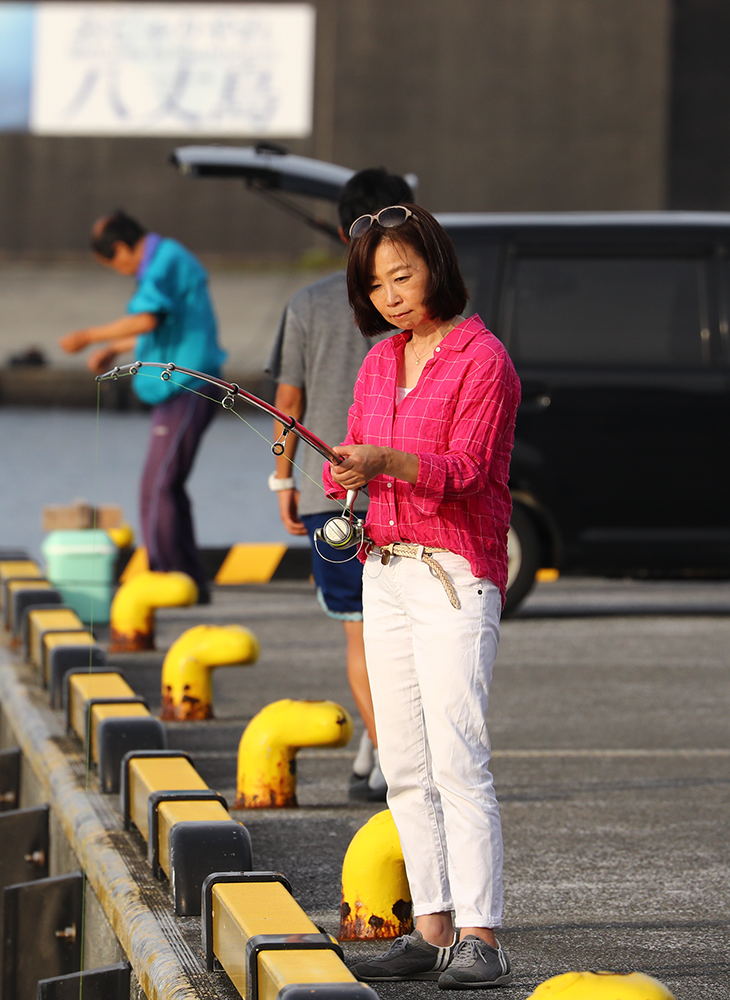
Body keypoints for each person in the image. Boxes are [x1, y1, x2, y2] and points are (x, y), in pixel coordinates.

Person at [323, 204, 520, 989]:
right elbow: (359, 453)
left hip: (454, 574)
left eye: (402, 275)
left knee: (458, 754)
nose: (391, 296)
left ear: (436, 263)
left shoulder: (484, 359)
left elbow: (466, 469)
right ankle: (432, 925)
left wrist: (385, 460)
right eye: (376, 285)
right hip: (386, 568)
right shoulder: (378, 362)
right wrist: (348, 469)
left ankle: (483, 935)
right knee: (403, 758)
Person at [265, 168, 413, 802]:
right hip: (408, 493)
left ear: (337, 224)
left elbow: (287, 402)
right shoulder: (422, 305)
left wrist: (280, 477)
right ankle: (378, 744)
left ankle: (387, 755)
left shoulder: (309, 303)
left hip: (335, 500)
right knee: (402, 636)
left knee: (359, 632)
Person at [59, 211, 226, 595]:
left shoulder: (163, 261)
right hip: (182, 382)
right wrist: (114, 348)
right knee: (168, 484)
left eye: (114, 264)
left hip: (188, 383)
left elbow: (147, 320)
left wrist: (87, 336)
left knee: (159, 485)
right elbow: (168, 322)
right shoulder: (169, 257)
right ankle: (188, 579)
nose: (121, 272)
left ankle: (165, 577)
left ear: (120, 249)